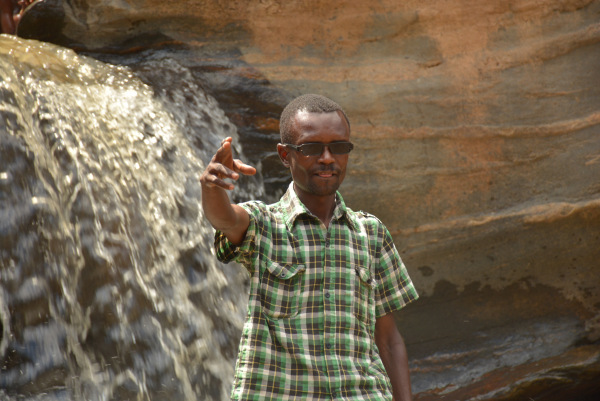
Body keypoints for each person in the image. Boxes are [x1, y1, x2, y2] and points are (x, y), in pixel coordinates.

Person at [201, 94, 419, 401]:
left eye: (338, 147)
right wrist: (212, 188)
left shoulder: (371, 234)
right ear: (284, 155)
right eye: (311, 148)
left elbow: (389, 339)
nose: (327, 158)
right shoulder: (264, 225)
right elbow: (224, 218)